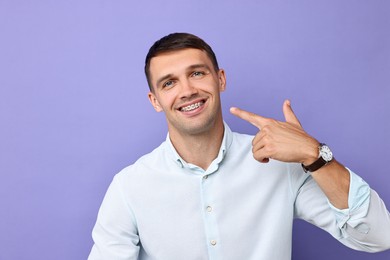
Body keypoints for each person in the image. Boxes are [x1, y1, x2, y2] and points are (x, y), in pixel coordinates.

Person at [88, 32, 390, 260]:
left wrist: (315, 155)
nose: (188, 90)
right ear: (155, 100)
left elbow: (379, 236)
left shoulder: (280, 165)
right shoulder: (129, 187)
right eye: (169, 83)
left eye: (197, 73)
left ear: (220, 79)